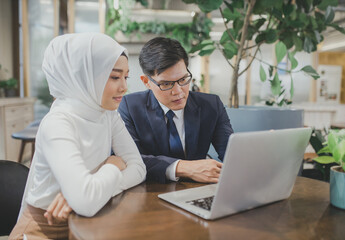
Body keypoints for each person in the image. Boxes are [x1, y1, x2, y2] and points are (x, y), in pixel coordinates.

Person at [9, 33, 146, 239]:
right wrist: (112, 165)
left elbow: (139, 168)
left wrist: (86, 192)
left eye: (126, 77)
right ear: (86, 77)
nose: (124, 87)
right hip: (44, 230)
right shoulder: (58, 123)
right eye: (115, 77)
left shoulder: (107, 114)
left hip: (90, 223)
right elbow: (86, 201)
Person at [118, 37, 233, 184]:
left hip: (199, 190)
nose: (178, 91)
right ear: (146, 81)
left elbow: (231, 153)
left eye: (183, 79)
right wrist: (184, 168)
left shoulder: (211, 105)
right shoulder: (130, 107)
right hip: (152, 192)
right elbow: (129, 159)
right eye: (166, 84)